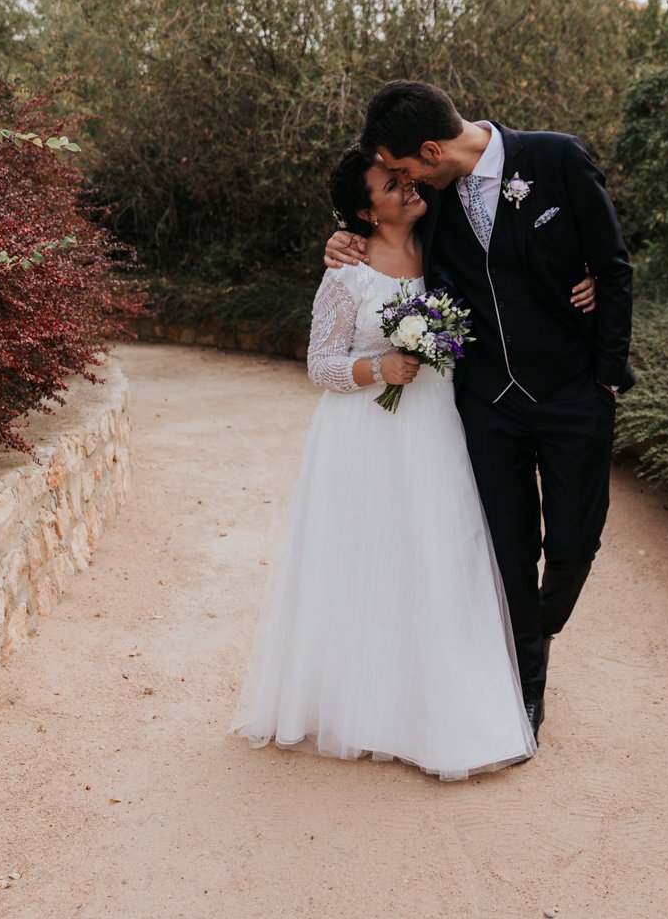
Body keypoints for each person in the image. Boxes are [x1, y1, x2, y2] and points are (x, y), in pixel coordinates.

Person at [325, 81, 636, 740]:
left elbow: (613, 265)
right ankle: (526, 680)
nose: (404, 181)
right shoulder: (429, 200)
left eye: (405, 168)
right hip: (486, 403)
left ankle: (541, 626)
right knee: (508, 546)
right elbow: (384, 238)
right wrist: (340, 240)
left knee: (576, 542)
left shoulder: (557, 161)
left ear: (431, 150)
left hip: (573, 394)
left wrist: (605, 375)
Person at [230, 145, 542, 779]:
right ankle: (369, 707)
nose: (407, 187)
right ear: (364, 212)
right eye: (391, 184)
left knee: (439, 547)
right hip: (366, 433)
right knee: (369, 560)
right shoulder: (347, 272)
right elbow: (319, 363)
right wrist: (379, 368)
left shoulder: (441, 242)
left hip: (434, 427)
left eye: (406, 177)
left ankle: (440, 703)